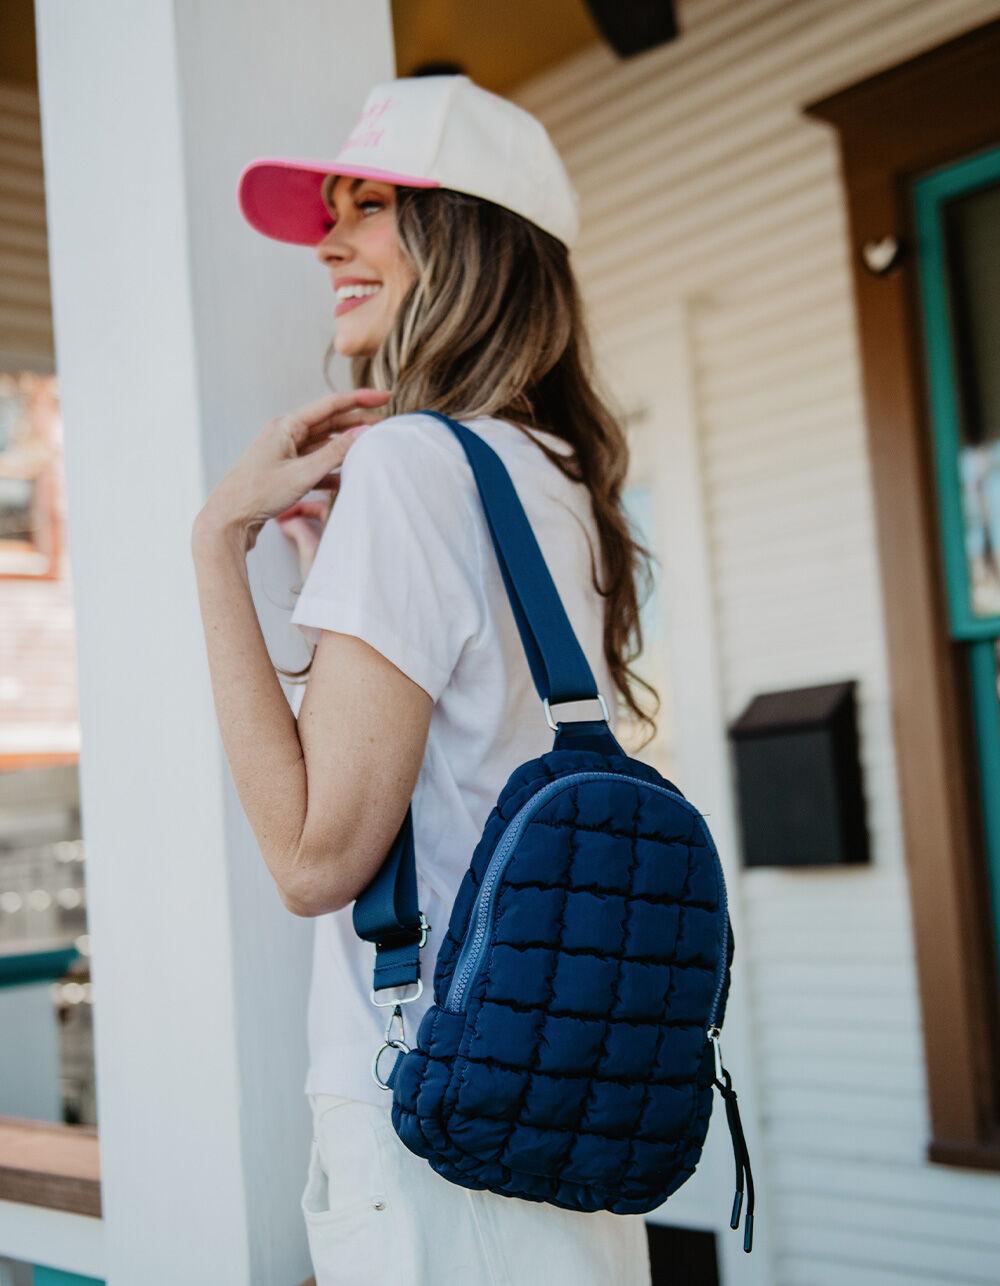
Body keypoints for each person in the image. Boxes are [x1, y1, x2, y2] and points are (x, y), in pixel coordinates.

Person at [191, 73, 659, 1286]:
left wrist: (218, 541)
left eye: (371, 207)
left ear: (470, 238)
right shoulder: (557, 475)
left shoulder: (410, 464)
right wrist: (335, 569)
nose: (328, 244)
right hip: (565, 1098)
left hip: (435, 1116)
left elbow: (314, 860)